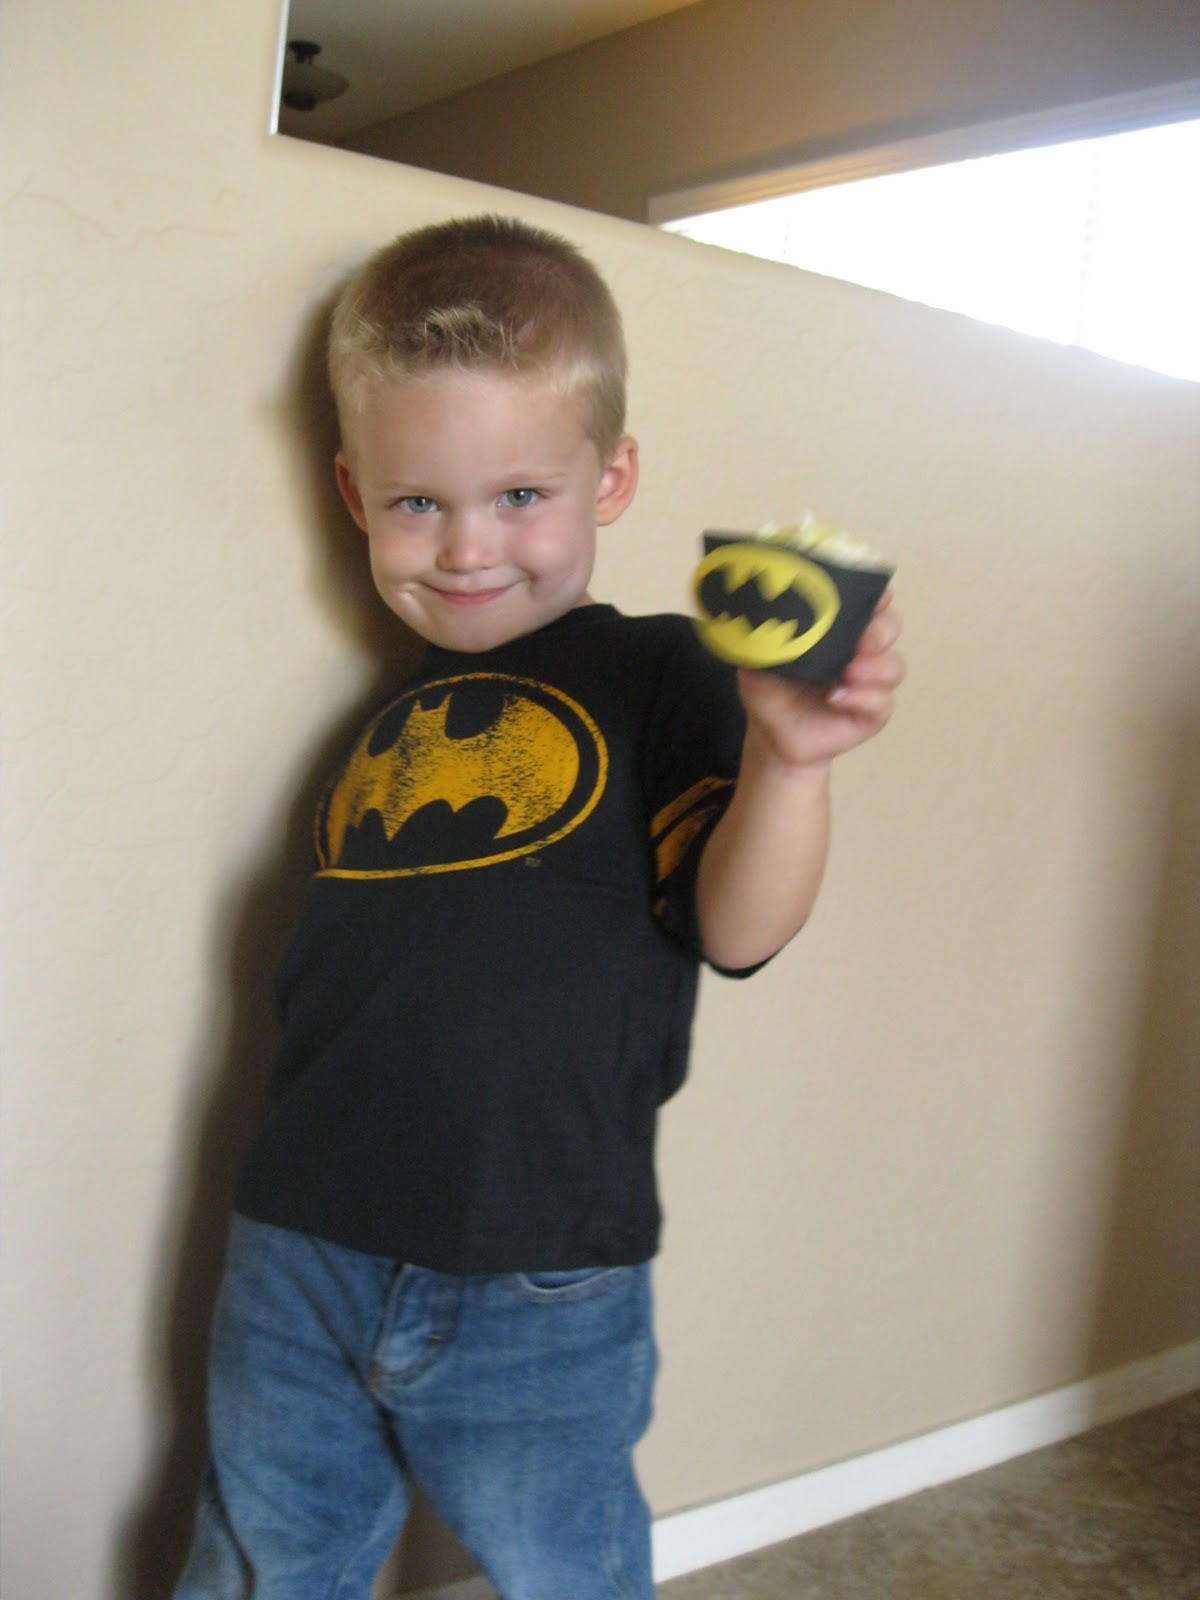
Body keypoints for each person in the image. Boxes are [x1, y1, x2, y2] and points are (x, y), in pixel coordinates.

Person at [172, 214, 903, 1600]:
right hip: (298, 1240)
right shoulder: (384, 716)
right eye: (417, 503)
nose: (465, 548)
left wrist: (792, 764)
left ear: (609, 478)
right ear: (353, 493)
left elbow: (737, 930)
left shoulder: (664, 672)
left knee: (563, 1569)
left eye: (519, 495)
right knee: (265, 1561)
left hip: (537, 1268)